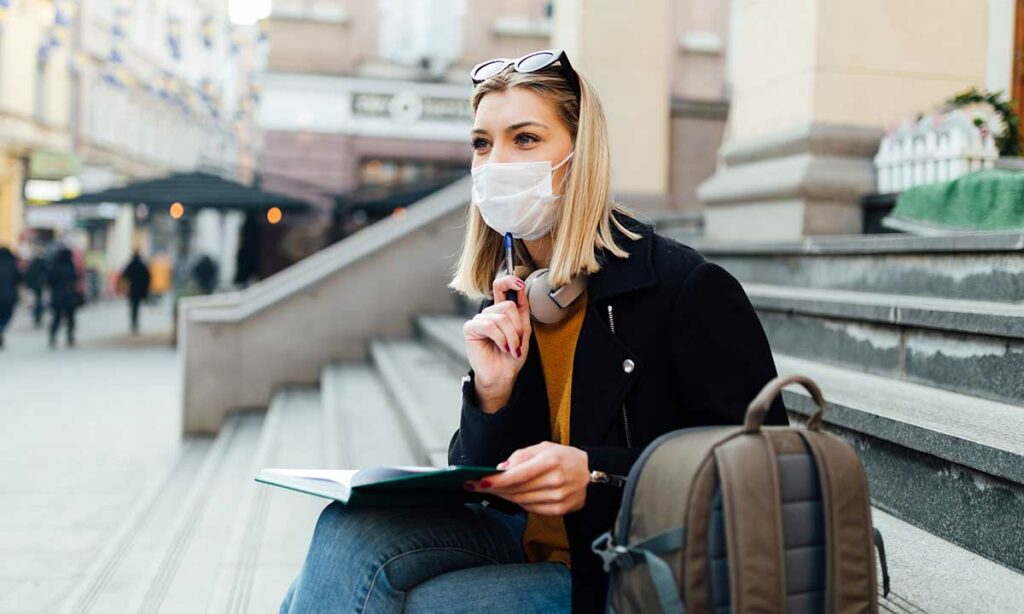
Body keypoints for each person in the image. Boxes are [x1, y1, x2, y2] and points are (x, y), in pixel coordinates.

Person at [280, 49, 787, 613]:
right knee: (345, 534)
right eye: (482, 143)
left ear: (580, 153)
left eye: (524, 139)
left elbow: (765, 470)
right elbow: (480, 481)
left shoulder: (684, 287)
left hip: (631, 570)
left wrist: (599, 474)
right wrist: (490, 396)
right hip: (528, 544)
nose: (496, 163)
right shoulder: (516, 292)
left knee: (385, 602)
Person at [47, 247, 79, 349]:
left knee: (56, 318)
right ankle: (70, 336)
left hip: (57, 295)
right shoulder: (70, 266)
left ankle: (53, 336)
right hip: (69, 296)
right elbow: (75, 279)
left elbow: (49, 281)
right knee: (70, 318)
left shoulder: (54, 266)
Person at [121, 251, 151, 334]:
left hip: (132, 290)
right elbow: (148, 276)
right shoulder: (142, 265)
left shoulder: (131, 265)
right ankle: (135, 322)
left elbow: (124, 275)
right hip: (139, 290)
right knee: (137, 307)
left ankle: (133, 322)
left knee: (133, 307)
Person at [0, 247, 22, 349]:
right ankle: (1, 329)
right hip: (9, 297)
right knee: (7, 316)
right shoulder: (12, 265)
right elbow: (20, 278)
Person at [24, 248, 48, 328]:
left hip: (34, 285)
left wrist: (28, 285)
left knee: (36, 301)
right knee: (40, 301)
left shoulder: (32, 264)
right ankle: (38, 315)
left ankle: (36, 315)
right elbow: (48, 273)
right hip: (41, 285)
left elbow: (28, 274)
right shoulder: (44, 263)